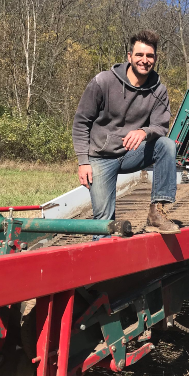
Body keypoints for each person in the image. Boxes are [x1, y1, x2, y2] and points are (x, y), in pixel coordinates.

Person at [72, 30, 179, 235]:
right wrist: (83, 161)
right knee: (103, 223)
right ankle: (102, 252)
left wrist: (144, 131)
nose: (144, 60)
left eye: (149, 56)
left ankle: (156, 213)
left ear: (155, 59)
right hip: (100, 157)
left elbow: (160, 126)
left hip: (131, 153)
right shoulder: (103, 82)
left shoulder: (159, 90)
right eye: (139, 55)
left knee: (166, 145)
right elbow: (81, 122)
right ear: (129, 56)